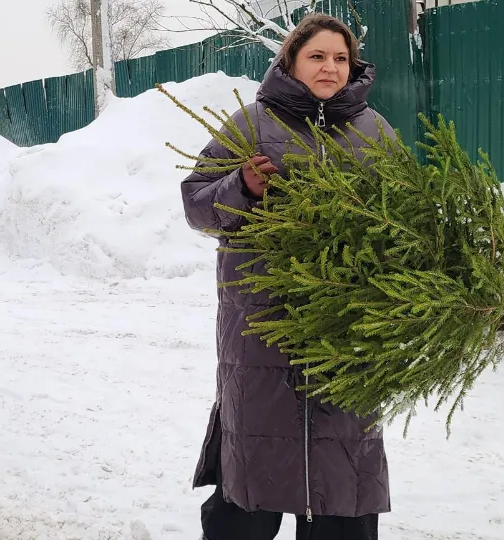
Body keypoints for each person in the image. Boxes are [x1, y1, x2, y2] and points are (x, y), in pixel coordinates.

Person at [181, 13, 394, 540]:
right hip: (261, 328)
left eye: (341, 58)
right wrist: (243, 188)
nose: (330, 67)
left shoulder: (374, 129)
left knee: (343, 483)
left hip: (346, 335)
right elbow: (197, 207)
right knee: (253, 478)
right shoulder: (251, 123)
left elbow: (400, 222)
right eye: (317, 56)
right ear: (291, 60)